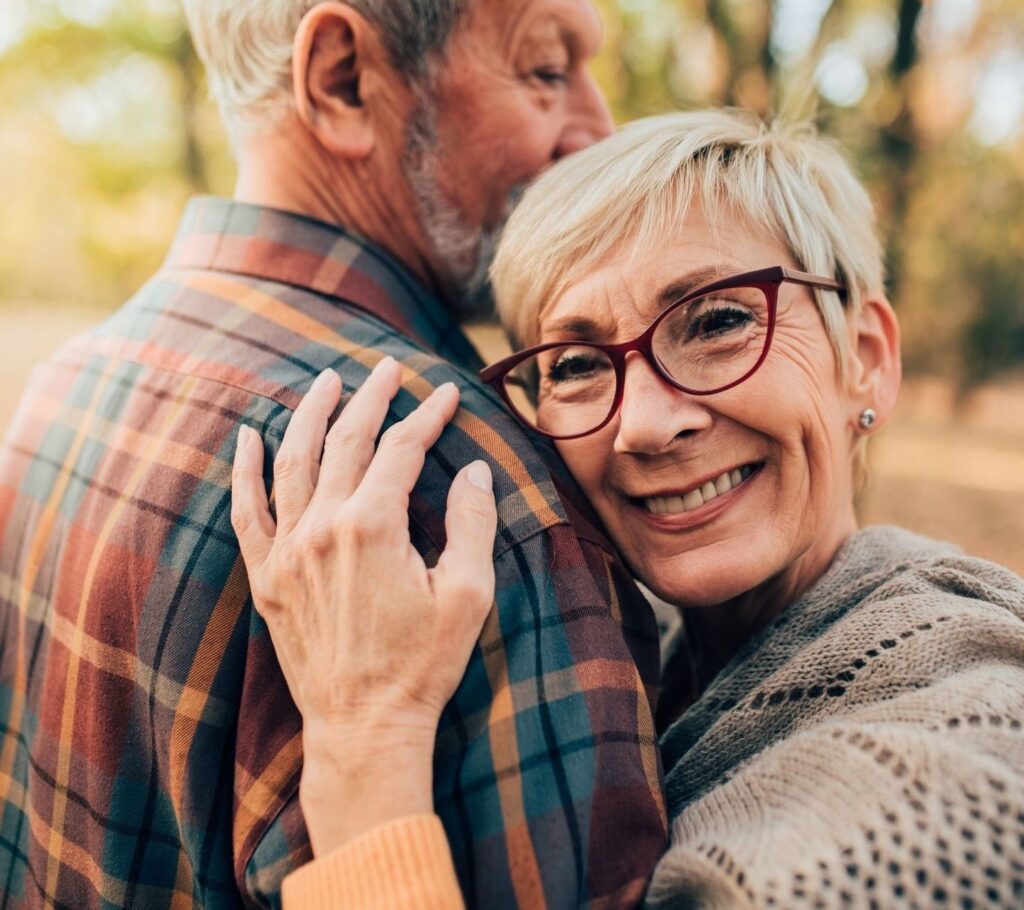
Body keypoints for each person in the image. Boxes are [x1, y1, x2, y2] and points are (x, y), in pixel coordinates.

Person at [231, 110, 1024, 908]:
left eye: (718, 321)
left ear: (867, 360)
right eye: (575, 364)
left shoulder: (950, 785)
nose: (644, 423)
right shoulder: (630, 644)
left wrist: (367, 747)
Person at [0, 2, 671, 907]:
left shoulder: (61, 388)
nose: (598, 128)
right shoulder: (457, 492)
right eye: (547, 70)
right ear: (344, 79)